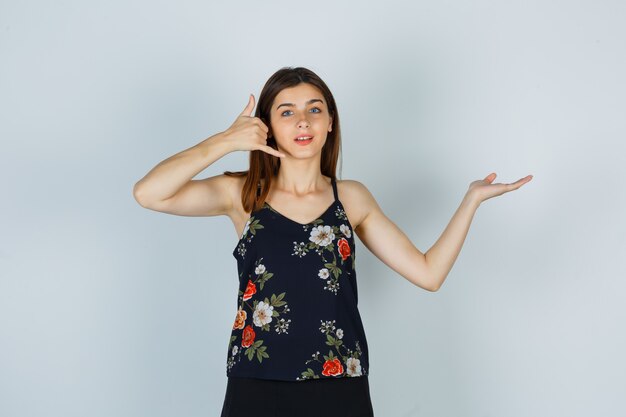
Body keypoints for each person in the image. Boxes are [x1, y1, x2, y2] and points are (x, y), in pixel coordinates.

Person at [133, 66, 533, 417]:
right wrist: (225, 141)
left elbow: (429, 273)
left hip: (339, 385)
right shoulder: (243, 193)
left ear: (329, 123)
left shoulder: (351, 198)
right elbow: (149, 193)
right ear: (267, 126)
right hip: (256, 383)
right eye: (287, 112)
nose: (303, 121)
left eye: (314, 109)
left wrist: (471, 201)